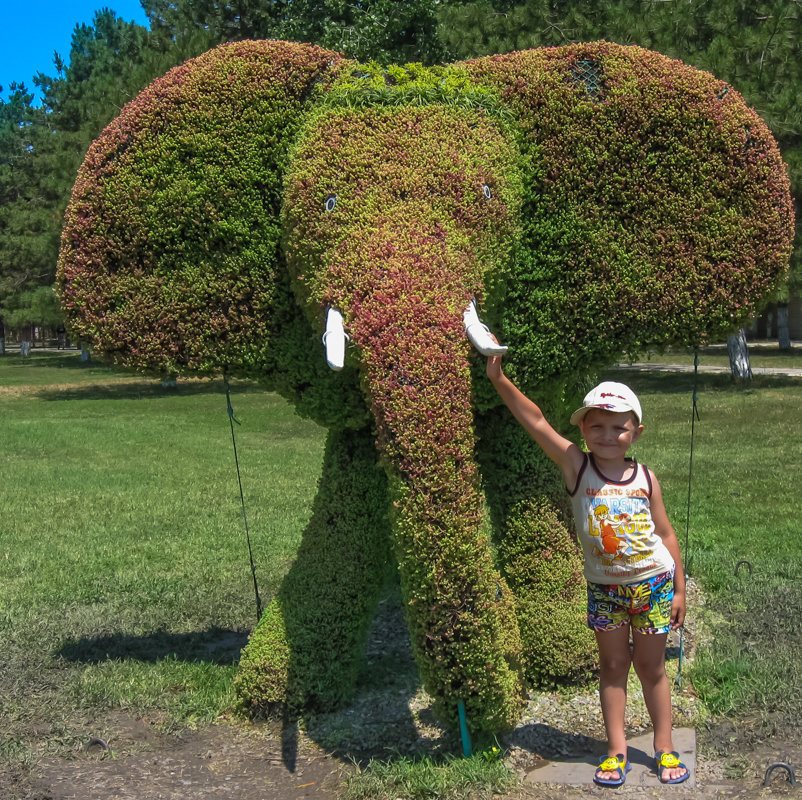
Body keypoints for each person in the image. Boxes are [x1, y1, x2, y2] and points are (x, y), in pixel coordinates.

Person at [486, 355, 689, 787]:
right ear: (582, 430)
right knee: (613, 665)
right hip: (605, 591)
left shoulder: (646, 478)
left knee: (652, 670)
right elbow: (537, 421)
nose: (609, 435)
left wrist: (679, 590)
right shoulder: (578, 466)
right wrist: (499, 377)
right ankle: (616, 750)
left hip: (653, 584)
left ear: (636, 431)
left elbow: (667, 536)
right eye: (597, 426)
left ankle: (664, 745)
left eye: (619, 426)